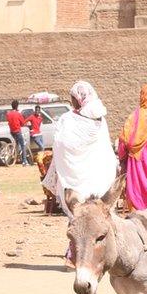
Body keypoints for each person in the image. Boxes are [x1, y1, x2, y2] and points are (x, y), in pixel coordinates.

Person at [43, 81, 117, 218]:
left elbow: (60, 143)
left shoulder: (68, 119)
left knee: (79, 215)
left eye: (73, 98)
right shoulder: (100, 120)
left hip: (78, 178)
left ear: (79, 99)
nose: (72, 102)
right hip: (99, 177)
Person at [5, 100, 30, 166]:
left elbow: (8, 121)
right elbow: (22, 123)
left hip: (12, 131)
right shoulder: (18, 114)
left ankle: (16, 157)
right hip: (17, 131)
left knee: (17, 143)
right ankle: (24, 161)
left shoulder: (8, 114)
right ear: (17, 106)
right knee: (23, 145)